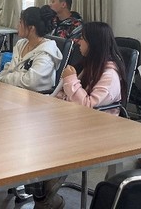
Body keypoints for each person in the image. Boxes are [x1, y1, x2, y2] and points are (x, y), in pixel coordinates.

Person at [34, 22, 128, 209]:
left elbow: (87, 107)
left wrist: (70, 79)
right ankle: (41, 193)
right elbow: (68, 97)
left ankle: (45, 198)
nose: (78, 42)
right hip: (72, 124)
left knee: (49, 145)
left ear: (94, 43)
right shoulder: (90, 66)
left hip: (94, 131)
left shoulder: (109, 74)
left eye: (83, 38)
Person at [0, 6, 62, 91]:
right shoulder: (21, 44)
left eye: (21, 23)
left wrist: (6, 78)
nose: (17, 26)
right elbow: (9, 69)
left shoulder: (47, 53)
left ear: (31, 28)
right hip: (13, 91)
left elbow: (31, 82)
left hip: (34, 97)